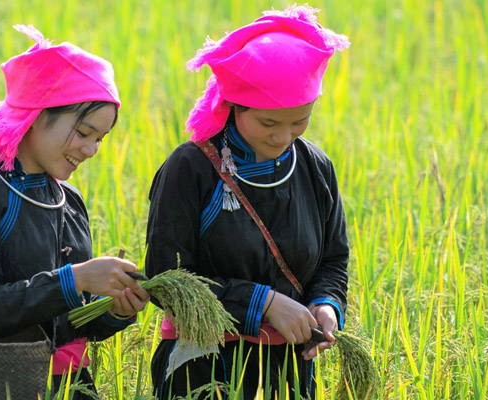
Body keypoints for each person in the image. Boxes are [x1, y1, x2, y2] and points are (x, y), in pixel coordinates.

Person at [0, 25, 149, 400]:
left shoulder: (68, 199)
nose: (92, 149)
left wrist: (115, 309)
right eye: (83, 131)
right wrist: (75, 278)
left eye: (100, 139)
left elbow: (70, 320)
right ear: (35, 112)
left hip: (72, 387)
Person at [145, 5, 350, 399]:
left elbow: (333, 260)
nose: (283, 136)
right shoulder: (191, 168)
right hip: (203, 364)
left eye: (300, 120)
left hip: (288, 367)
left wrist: (326, 306)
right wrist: (263, 302)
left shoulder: (315, 167)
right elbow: (165, 279)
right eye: (268, 123)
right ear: (234, 105)